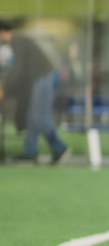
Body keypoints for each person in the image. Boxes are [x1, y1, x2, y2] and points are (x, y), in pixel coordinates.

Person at [0, 20, 70, 164]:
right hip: (38, 79)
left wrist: (4, 89)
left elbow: (17, 69)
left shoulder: (16, 39)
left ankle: (60, 148)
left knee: (40, 116)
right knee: (32, 117)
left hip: (42, 77)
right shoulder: (18, 40)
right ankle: (29, 152)